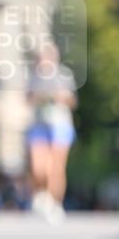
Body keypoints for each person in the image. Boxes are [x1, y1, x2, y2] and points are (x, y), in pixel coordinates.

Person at [26, 42, 77, 222]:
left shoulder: (63, 75)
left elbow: (72, 100)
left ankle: (56, 202)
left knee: (56, 167)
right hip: (39, 124)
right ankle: (41, 194)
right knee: (39, 166)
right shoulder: (34, 76)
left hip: (59, 124)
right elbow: (28, 98)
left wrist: (58, 96)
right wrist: (39, 96)